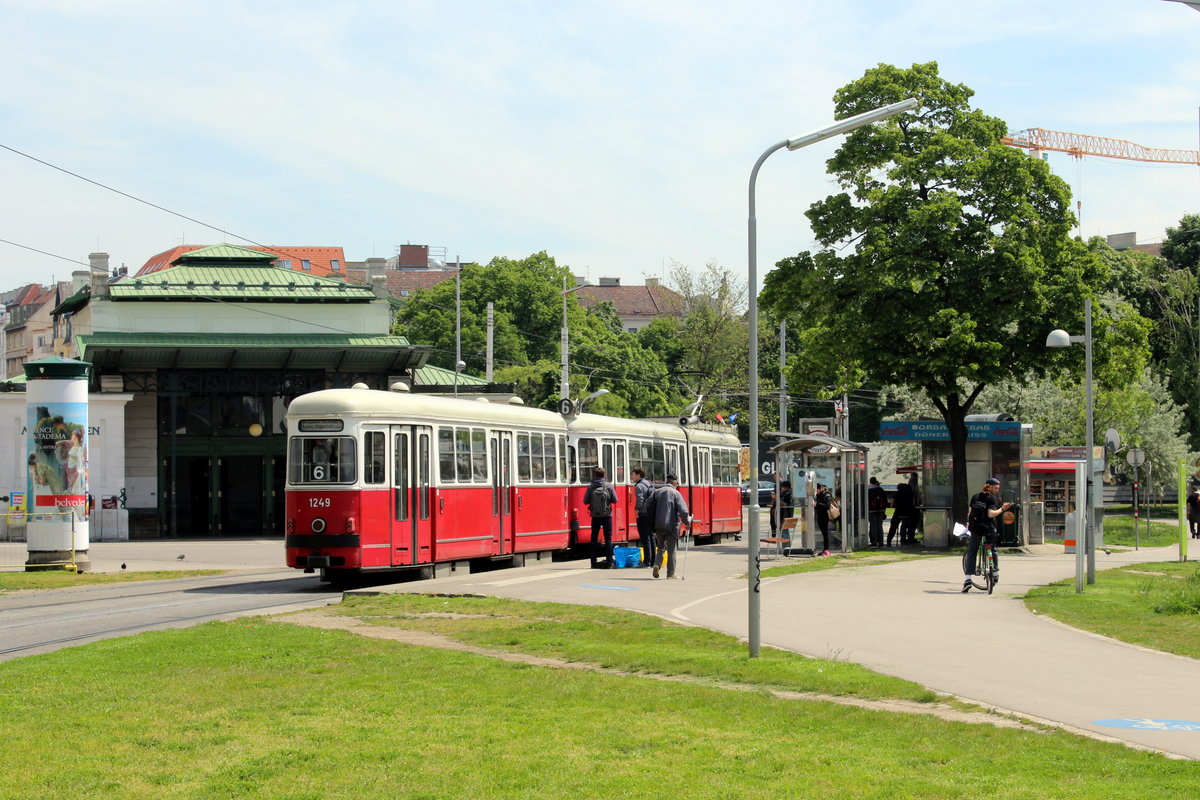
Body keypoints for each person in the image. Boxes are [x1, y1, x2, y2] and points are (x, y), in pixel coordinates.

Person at [962, 477, 1012, 593]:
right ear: (990, 487)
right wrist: (1002, 509)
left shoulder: (975, 497)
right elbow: (991, 514)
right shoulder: (991, 498)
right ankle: (994, 573)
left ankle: (968, 580)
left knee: (972, 552)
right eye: (996, 488)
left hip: (975, 528)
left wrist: (968, 524)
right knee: (992, 548)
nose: (997, 490)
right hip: (988, 528)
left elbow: (970, 512)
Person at [644, 474, 690, 579]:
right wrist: (687, 522)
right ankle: (671, 574)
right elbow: (683, 510)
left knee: (660, 547)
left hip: (658, 524)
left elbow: (647, 505)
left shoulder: (657, 492)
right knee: (671, 549)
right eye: (677, 483)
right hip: (672, 526)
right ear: (674, 482)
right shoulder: (676, 493)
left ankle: (657, 564)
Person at [583, 466, 617, 569]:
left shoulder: (591, 486)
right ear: (604, 475)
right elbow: (615, 500)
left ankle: (593, 562)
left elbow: (585, 501)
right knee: (608, 538)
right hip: (607, 515)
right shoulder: (609, 486)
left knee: (593, 539)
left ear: (594, 475)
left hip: (595, 516)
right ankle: (609, 562)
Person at [631, 467, 656, 567]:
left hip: (643, 514)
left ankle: (647, 561)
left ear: (638, 475)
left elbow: (640, 500)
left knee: (645, 538)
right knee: (651, 537)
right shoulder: (648, 484)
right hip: (650, 514)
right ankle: (653, 560)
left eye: (633, 475)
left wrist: (637, 511)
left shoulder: (639, 486)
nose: (632, 477)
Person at [887, 479, 916, 547]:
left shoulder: (897, 494)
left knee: (893, 526)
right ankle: (906, 540)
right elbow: (913, 504)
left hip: (898, 513)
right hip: (908, 513)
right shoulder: (911, 494)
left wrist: (888, 513)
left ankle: (889, 541)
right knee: (907, 526)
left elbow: (891, 504)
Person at [867, 476, 887, 548]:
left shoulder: (868, 491)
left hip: (871, 511)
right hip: (881, 511)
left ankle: (874, 542)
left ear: (870, 482)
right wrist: (885, 511)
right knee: (880, 526)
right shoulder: (881, 490)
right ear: (876, 482)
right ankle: (881, 542)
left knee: (873, 527)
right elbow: (885, 501)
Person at [813, 483, 832, 555]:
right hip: (820, 515)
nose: (816, 491)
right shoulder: (818, 495)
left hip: (825, 516)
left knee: (825, 533)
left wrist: (818, 504)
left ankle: (826, 549)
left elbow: (827, 506)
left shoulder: (827, 495)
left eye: (817, 490)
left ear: (821, 488)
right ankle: (824, 549)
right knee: (823, 533)